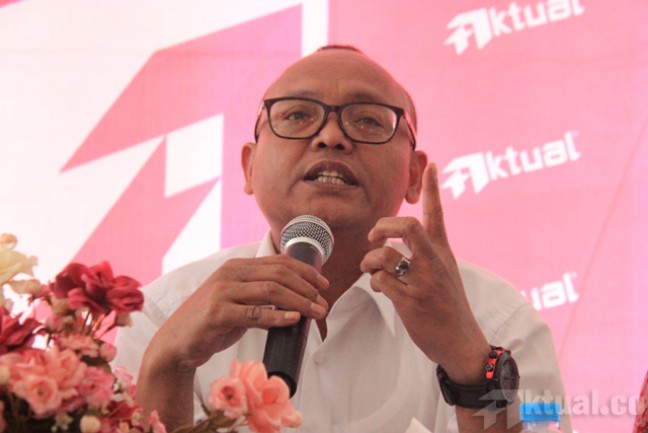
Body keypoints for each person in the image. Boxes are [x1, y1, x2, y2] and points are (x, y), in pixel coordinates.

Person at [114, 45, 571, 433]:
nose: (331, 137)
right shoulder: (163, 317)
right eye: (297, 115)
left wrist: (472, 366)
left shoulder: (499, 320)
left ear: (414, 175)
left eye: (367, 121)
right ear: (249, 167)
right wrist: (167, 368)